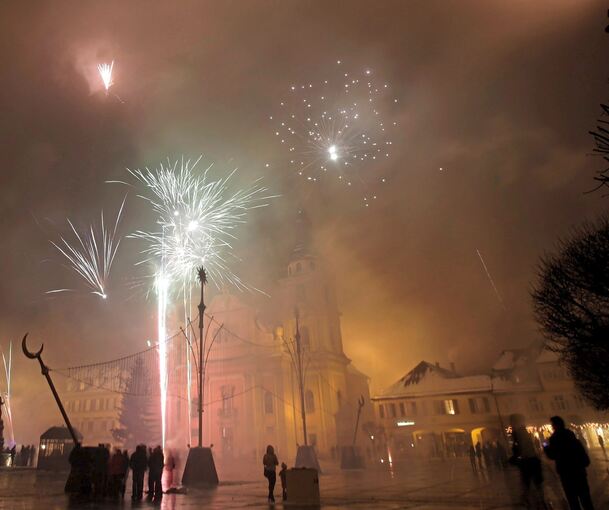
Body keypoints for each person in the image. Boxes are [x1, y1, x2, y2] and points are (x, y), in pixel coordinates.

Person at [544, 416, 594, 510]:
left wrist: (546, 447)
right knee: (586, 499)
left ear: (555, 425)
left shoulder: (554, 439)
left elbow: (552, 455)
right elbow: (581, 451)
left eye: (552, 425)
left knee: (573, 500)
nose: (552, 427)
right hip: (579, 471)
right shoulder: (571, 435)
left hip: (566, 473)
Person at [509, 413, 545, 508]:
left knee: (528, 484)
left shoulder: (519, 433)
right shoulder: (523, 432)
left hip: (528, 462)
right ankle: (538, 501)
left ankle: (535, 502)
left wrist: (514, 458)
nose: (511, 424)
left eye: (512, 422)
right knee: (535, 484)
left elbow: (522, 449)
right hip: (532, 461)